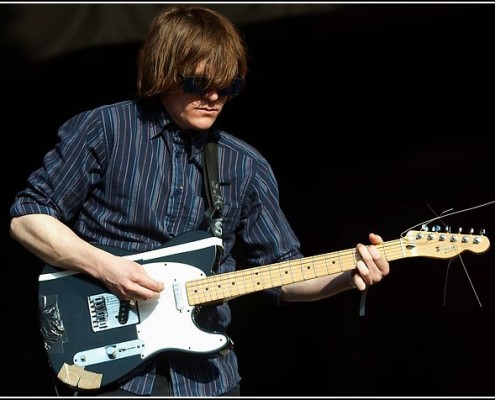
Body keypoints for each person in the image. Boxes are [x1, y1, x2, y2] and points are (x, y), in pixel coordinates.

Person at [9, 4, 389, 397]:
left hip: (208, 380)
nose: (213, 97)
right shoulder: (107, 130)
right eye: (197, 83)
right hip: (109, 371)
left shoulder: (245, 166)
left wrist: (348, 275)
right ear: (164, 70)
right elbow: (28, 217)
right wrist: (108, 268)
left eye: (228, 87)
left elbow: (281, 274)